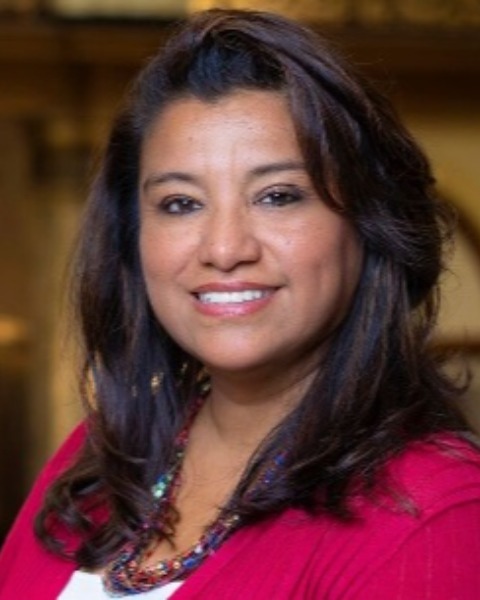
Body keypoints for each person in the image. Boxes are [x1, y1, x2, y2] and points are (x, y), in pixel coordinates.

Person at [1, 8, 480, 599]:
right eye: (181, 203)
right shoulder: (100, 463)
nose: (225, 250)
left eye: (277, 196)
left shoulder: (431, 517)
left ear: (369, 223)